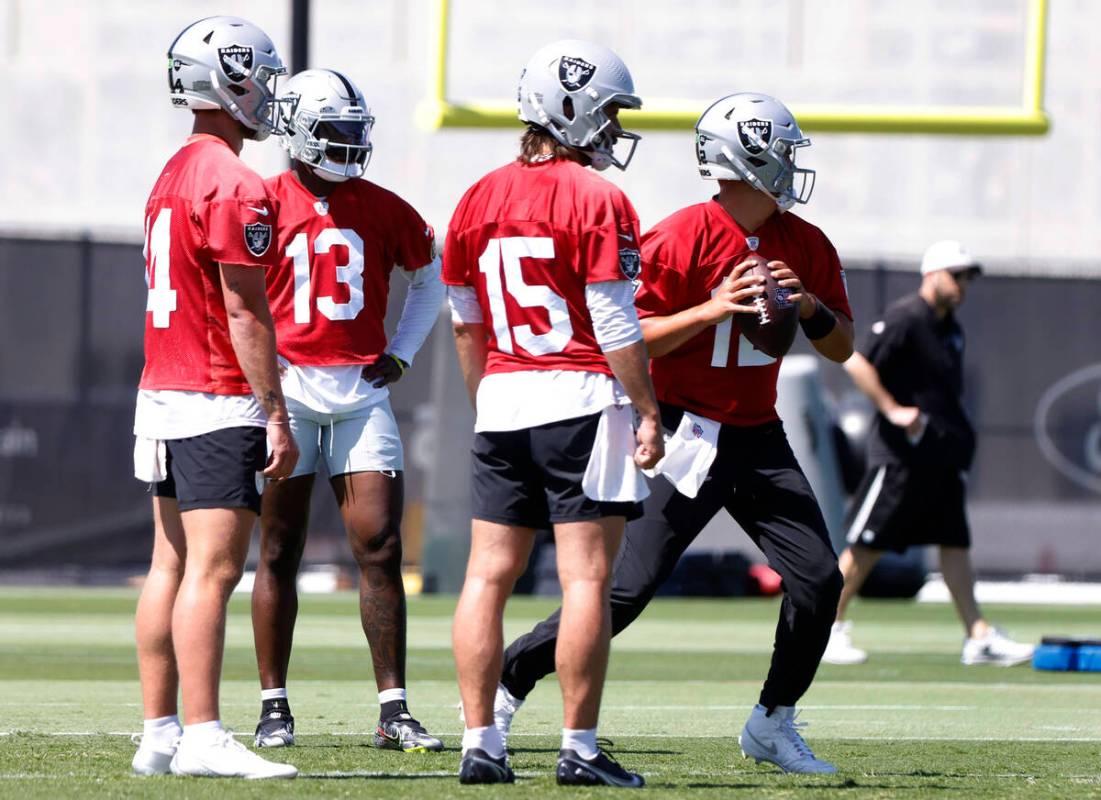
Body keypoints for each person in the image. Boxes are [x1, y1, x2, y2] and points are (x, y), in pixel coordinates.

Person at [493, 92, 854, 775]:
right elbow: (626, 339)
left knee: (816, 580)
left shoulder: (804, 242)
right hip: (685, 430)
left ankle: (771, 721)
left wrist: (805, 304)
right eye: (781, 150)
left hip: (757, 433)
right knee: (624, 592)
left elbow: (842, 347)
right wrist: (713, 307)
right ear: (744, 158)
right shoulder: (681, 235)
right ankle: (510, 680)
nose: (791, 164)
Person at [442, 40, 664, 787]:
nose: (611, 130)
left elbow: (465, 323)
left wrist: (488, 401)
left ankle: (481, 742)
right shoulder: (598, 199)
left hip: (504, 396)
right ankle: (578, 746)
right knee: (584, 581)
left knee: (485, 577)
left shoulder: (475, 197)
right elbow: (614, 324)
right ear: (566, 108)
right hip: (578, 397)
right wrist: (647, 409)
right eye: (604, 113)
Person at [249, 69, 444, 752]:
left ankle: (393, 709)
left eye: (354, 130)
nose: (348, 143)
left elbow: (430, 278)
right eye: (334, 131)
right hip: (289, 391)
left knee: (381, 547)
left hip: (361, 393)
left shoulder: (385, 207)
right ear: (299, 132)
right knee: (278, 548)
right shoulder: (261, 200)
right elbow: (234, 299)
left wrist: (403, 352)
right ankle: (274, 705)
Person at [130, 16, 299, 779]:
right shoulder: (235, 180)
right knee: (213, 571)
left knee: (168, 565)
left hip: (161, 389)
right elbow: (242, 309)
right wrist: (273, 409)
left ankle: (160, 733)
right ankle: (201, 734)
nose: (266, 91)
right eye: (258, 76)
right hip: (213, 392)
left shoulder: (171, 172)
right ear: (228, 81)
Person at [823, 240, 1035, 667]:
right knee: (866, 545)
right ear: (932, 274)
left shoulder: (950, 327)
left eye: (967, 278)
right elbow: (855, 361)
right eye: (956, 276)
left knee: (955, 544)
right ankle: (825, 629)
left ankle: (977, 635)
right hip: (901, 458)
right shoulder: (905, 317)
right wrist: (893, 409)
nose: (962, 285)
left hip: (941, 458)